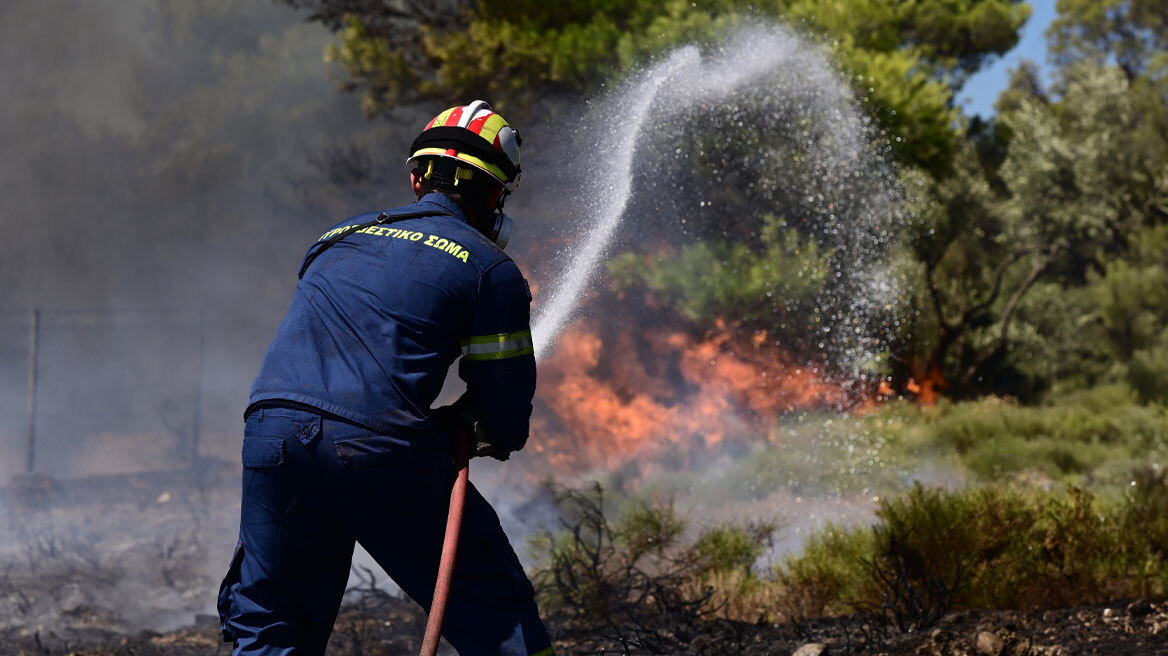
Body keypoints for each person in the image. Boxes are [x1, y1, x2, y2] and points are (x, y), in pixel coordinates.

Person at [217, 100, 553, 656]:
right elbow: (506, 409)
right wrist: (479, 424)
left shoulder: (334, 238)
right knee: (495, 611)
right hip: (376, 448)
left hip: (272, 435)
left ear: (417, 178)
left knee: (274, 624)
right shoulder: (490, 269)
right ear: (496, 195)